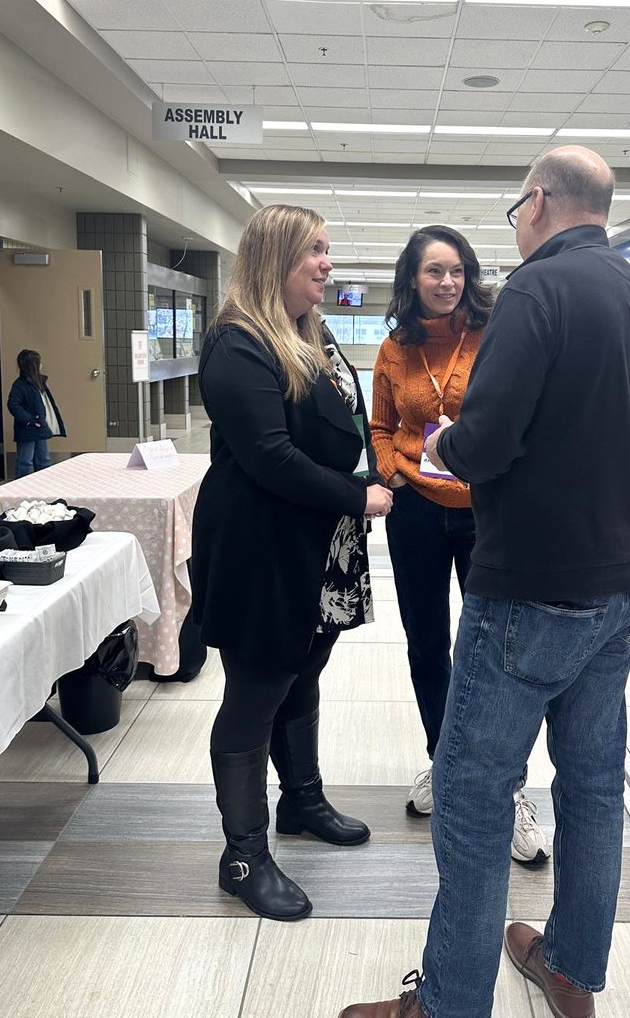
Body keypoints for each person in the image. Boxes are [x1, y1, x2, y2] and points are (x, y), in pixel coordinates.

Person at [339, 146, 630, 1018]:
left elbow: (484, 443)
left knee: (470, 791)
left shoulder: (535, 288)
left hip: (530, 591)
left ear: (536, 203)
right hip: (619, 590)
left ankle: (450, 1003)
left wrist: (447, 444)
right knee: (593, 784)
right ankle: (570, 967)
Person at [189, 205, 393, 923]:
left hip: (318, 545)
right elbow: (270, 456)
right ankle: (242, 855)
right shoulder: (238, 343)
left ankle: (301, 802)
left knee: (300, 672)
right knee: (254, 694)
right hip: (262, 545)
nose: (327, 264)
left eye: (328, 251)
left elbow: (335, 425)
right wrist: (356, 494)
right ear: (275, 256)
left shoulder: (312, 331)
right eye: (315, 251)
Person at [371, 225, 550, 864]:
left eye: (456, 272)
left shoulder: (496, 335)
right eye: (434, 273)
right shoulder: (395, 348)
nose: (447, 284)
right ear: (412, 280)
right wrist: (394, 471)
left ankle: (509, 790)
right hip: (416, 512)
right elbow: (382, 424)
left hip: (487, 513)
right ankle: (443, 762)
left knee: (498, 650)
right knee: (427, 643)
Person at [7, 349, 66, 477]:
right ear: (33, 366)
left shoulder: (38, 383)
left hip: (39, 427)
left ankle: (42, 485)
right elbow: (13, 405)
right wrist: (29, 420)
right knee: (25, 462)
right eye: (39, 363)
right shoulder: (20, 385)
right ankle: (20, 489)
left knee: (44, 460)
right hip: (27, 428)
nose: (41, 365)